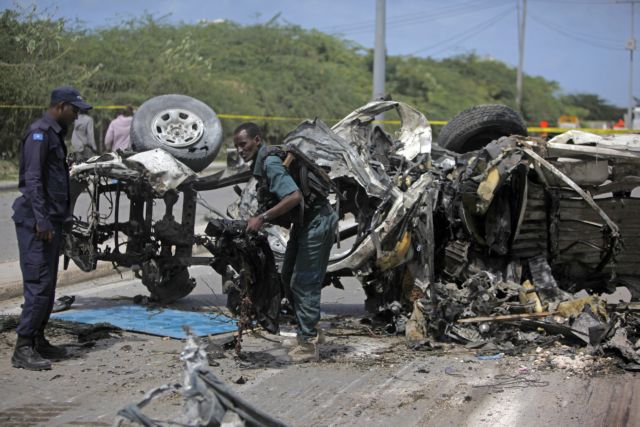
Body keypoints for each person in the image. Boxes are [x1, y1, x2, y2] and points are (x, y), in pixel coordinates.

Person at [233, 122, 338, 363]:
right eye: (237, 146)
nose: (240, 150)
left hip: (317, 222)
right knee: (288, 277)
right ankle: (310, 330)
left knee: (303, 281)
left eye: (243, 144)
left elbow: (294, 196)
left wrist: (263, 218)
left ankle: (308, 343)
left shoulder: (270, 162)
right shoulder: (266, 160)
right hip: (305, 223)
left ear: (257, 140)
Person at [11, 86, 92, 370]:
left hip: (51, 221)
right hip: (37, 223)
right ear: (60, 106)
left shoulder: (54, 135)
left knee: (48, 285)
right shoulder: (39, 134)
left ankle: (38, 340)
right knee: (38, 284)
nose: (77, 115)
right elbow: (32, 180)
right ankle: (23, 348)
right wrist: (43, 221)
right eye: (75, 109)